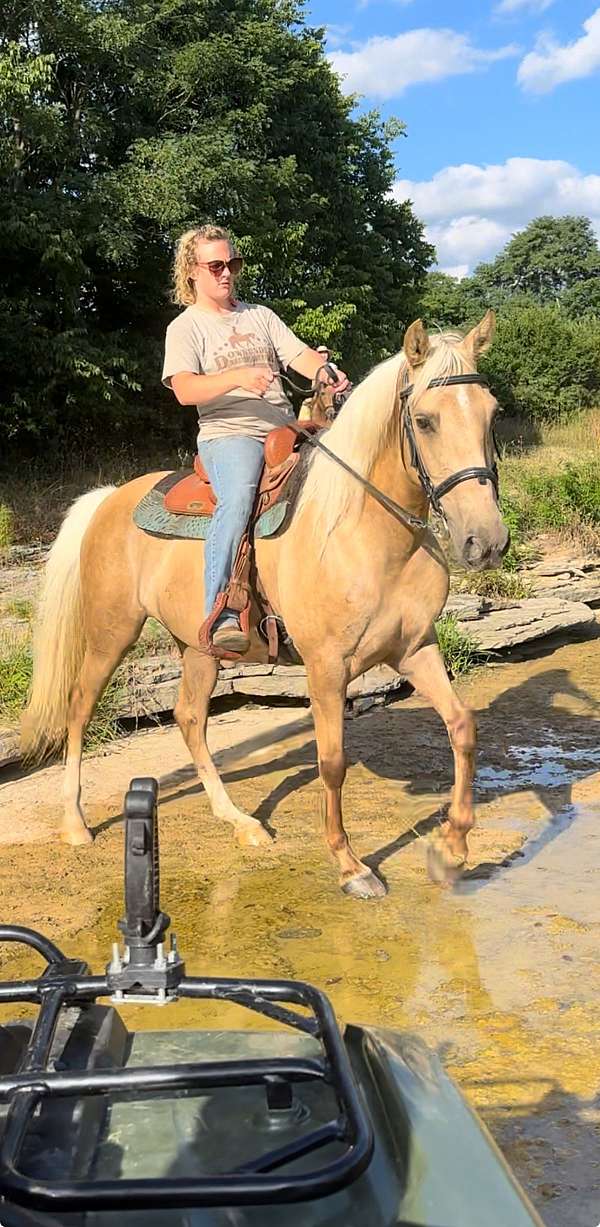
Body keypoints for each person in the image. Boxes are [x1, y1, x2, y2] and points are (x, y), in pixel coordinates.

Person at [162, 225, 349, 655]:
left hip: (286, 429)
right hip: (230, 434)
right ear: (192, 272)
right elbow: (185, 390)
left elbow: (300, 356)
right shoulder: (186, 327)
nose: (227, 273)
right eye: (216, 265)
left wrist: (326, 373)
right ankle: (223, 608)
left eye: (233, 263)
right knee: (240, 497)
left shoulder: (259, 316)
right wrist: (237, 378)